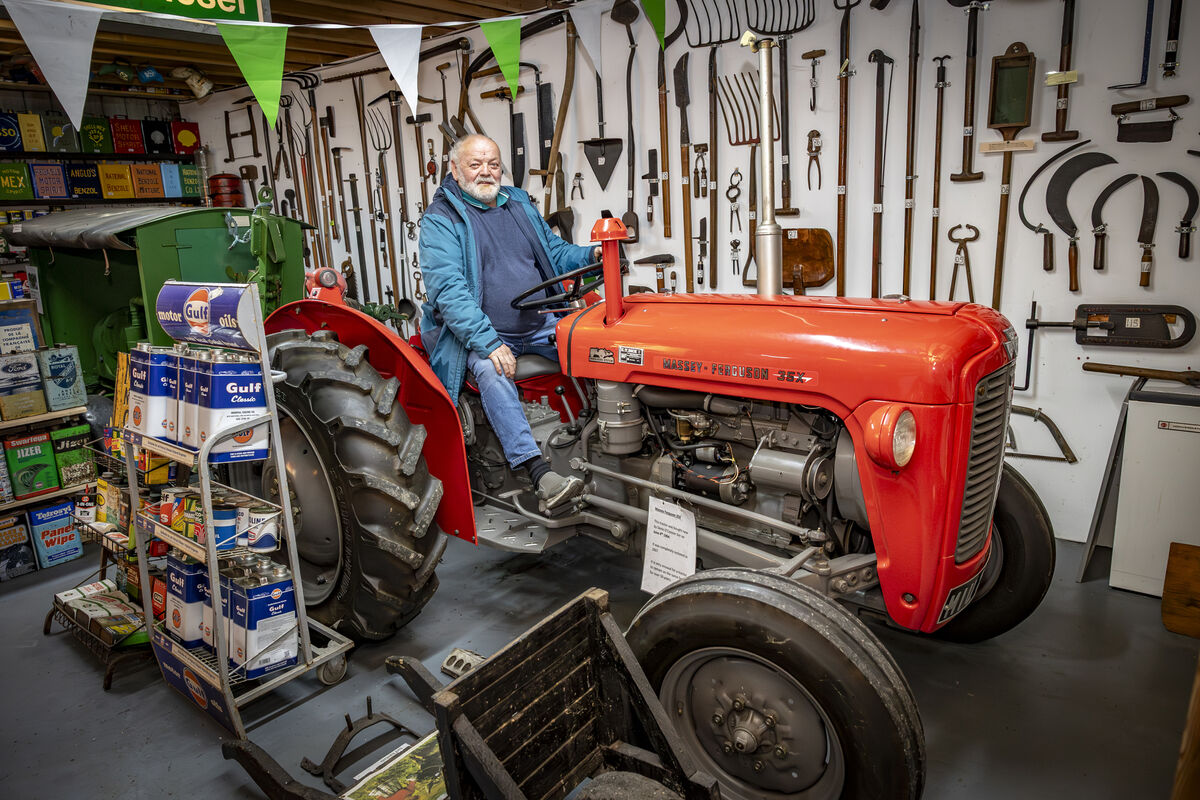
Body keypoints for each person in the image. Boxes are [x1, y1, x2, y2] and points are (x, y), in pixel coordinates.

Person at [418, 134, 600, 508]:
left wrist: (594, 253)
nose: (486, 172)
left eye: (494, 164)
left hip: (537, 324)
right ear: (454, 168)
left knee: (597, 347)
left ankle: (599, 444)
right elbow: (449, 291)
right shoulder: (441, 220)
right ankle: (536, 471)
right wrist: (488, 341)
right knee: (491, 370)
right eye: (475, 164)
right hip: (478, 334)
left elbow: (554, 252)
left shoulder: (517, 202)